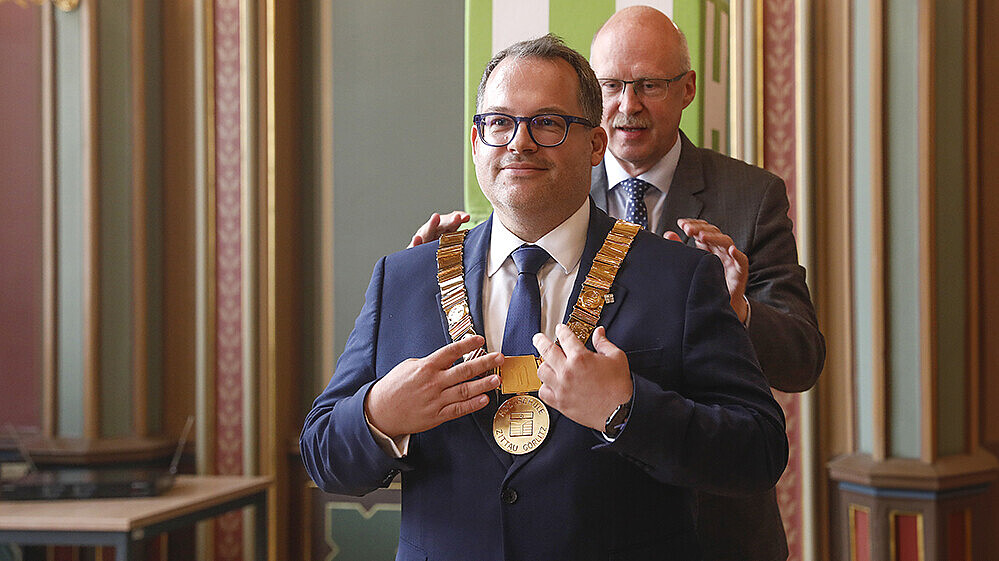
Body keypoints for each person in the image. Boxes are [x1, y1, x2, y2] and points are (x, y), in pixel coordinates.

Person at [302, 34, 788, 560]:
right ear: (475, 141)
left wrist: (627, 411)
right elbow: (323, 454)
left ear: (596, 146)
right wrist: (379, 415)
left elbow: (758, 451)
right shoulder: (404, 277)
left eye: (548, 122)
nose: (519, 143)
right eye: (499, 122)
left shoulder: (679, 277)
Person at [410, 7, 824, 560]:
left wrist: (736, 311)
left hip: (711, 519)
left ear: (687, 90)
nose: (628, 105)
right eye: (611, 85)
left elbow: (801, 361)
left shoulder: (751, 197)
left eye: (650, 85)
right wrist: (430, 289)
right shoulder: (533, 186)